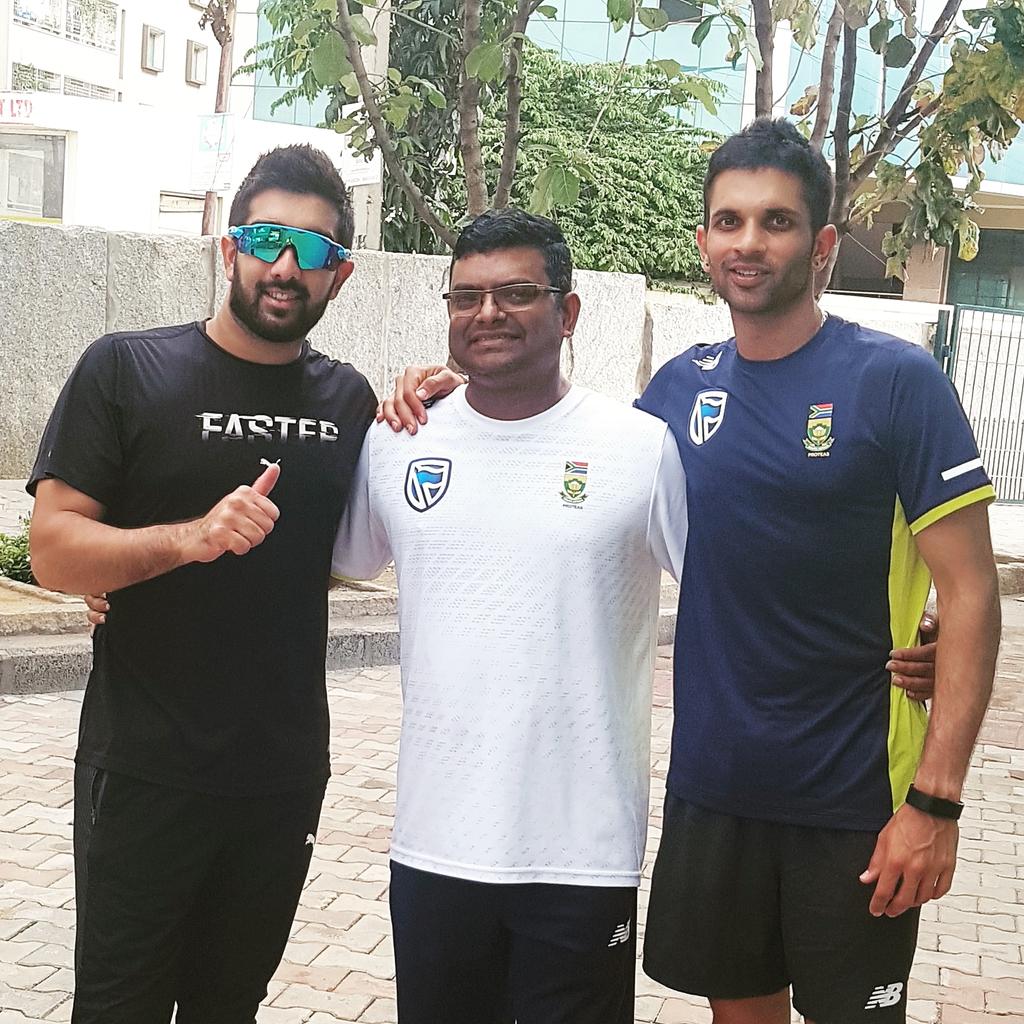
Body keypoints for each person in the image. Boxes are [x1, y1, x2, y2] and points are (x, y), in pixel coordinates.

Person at [377, 119, 992, 1023]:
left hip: (855, 795)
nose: (750, 242)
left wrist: (936, 803)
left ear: (822, 244)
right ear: (703, 241)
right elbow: (567, 465)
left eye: (777, 221)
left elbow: (972, 592)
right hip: (714, 794)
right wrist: (448, 392)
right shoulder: (675, 392)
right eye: (730, 221)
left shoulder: (895, 380)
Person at [28, 145, 377, 1024]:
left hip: (280, 776)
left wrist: (430, 395)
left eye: (312, 249)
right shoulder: (126, 369)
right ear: (229, 249)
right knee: (120, 1008)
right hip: (146, 769)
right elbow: (53, 552)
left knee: (230, 1007)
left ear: (340, 275)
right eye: (264, 239)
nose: (284, 265)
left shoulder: (352, 404)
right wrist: (186, 541)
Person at [331, 208, 689, 1023]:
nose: (487, 313)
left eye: (516, 293)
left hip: (583, 850)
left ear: (567, 312)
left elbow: (732, 592)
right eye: (467, 297)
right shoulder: (398, 441)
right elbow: (315, 565)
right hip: (435, 843)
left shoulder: (639, 448)